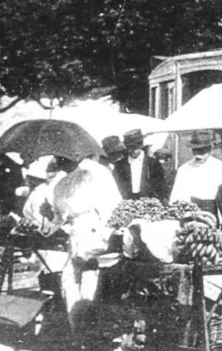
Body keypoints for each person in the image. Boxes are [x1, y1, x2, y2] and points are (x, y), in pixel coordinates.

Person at [48, 152, 122, 329]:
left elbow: (112, 205)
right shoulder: (60, 183)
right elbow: (59, 216)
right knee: (68, 278)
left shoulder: (95, 174)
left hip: (94, 230)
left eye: (62, 159)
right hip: (74, 233)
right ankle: (75, 323)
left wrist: (104, 233)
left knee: (90, 277)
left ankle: (87, 326)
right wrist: (45, 225)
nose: (59, 163)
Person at [169, 130, 222, 214]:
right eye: (195, 150)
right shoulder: (184, 169)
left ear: (210, 150)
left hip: (211, 211)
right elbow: (176, 194)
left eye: (202, 150)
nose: (198, 154)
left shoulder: (220, 168)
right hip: (189, 210)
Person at [111, 129, 168, 201]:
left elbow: (160, 185)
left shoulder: (153, 163)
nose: (131, 151)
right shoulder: (120, 165)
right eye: (129, 148)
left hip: (148, 202)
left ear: (140, 146)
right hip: (127, 202)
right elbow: (117, 185)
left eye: (133, 148)